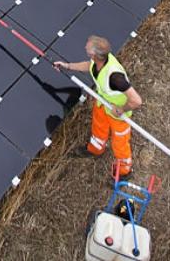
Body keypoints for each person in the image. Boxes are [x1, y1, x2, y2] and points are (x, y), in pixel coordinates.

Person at [54, 35, 142, 178]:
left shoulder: (115, 77)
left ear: (94, 54)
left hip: (118, 114)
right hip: (103, 103)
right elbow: (89, 66)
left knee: (120, 144)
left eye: (87, 47)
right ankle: (95, 149)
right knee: (98, 129)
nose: (84, 48)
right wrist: (68, 66)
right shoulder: (98, 61)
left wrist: (122, 109)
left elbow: (137, 101)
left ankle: (124, 171)